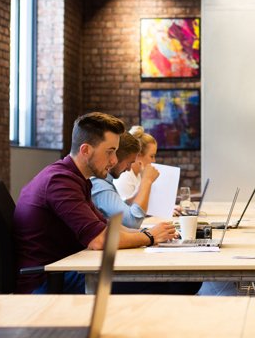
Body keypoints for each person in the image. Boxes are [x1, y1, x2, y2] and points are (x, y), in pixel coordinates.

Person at [14, 112, 177, 293]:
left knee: (169, 277)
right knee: (170, 281)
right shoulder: (60, 182)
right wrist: (150, 237)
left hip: (67, 268)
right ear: (85, 150)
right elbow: (99, 240)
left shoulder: (77, 179)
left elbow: (105, 227)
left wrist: (148, 233)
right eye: (110, 152)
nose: (114, 160)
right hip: (48, 280)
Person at [90, 132, 161, 229]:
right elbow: (132, 222)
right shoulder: (99, 183)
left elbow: (123, 210)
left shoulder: (106, 181)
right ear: (115, 158)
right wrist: (146, 181)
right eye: (129, 163)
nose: (128, 169)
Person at [114, 125, 159, 201]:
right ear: (138, 155)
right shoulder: (124, 177)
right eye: (152, 156)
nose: (154, 161)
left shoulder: (139, 175)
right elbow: (128, 211)